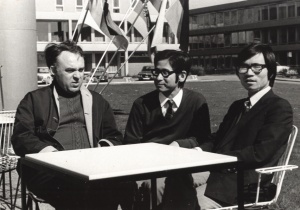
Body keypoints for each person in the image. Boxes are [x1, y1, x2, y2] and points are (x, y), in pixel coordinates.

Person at [12, 40, 134, 210]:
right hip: (48, 172)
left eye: (81, 70)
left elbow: (114, 136)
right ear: (53, 70)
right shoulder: (34, 100)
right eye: (70, 70)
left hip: (92, 169)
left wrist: (103, 148)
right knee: (83, 190)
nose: (78, 76)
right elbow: (21, 137)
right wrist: (51, 155)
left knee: (127, 185)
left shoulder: (97, 101)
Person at [197, 43, 293, 208]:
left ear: (270, 71)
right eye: (244, 67)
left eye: (256, 67)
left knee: (186, 200)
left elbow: (260, 153)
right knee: (166, 182)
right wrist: (198, 151)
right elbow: (219, 140)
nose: (249, 73)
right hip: (218, 172)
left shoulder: (278, 107)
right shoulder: (237, 106)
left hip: (244, 183)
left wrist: (220, 160)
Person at [124, 50, 211, 210]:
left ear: (182, 76)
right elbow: (131, 143)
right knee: (155, 186)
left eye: (165, 73)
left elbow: (204, 139)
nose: (157, 78)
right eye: (156, 72)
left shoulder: (197, 102)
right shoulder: (141, 104)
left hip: (187, 165)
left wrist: (179, 144)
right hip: (149, 166)